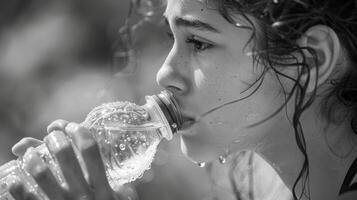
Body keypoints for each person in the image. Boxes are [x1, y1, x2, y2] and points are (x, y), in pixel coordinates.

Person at [8, 0, 357, 199]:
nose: (164, 73)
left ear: (312, 60)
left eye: (199, 42)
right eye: (171, 37)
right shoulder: (253, 185)